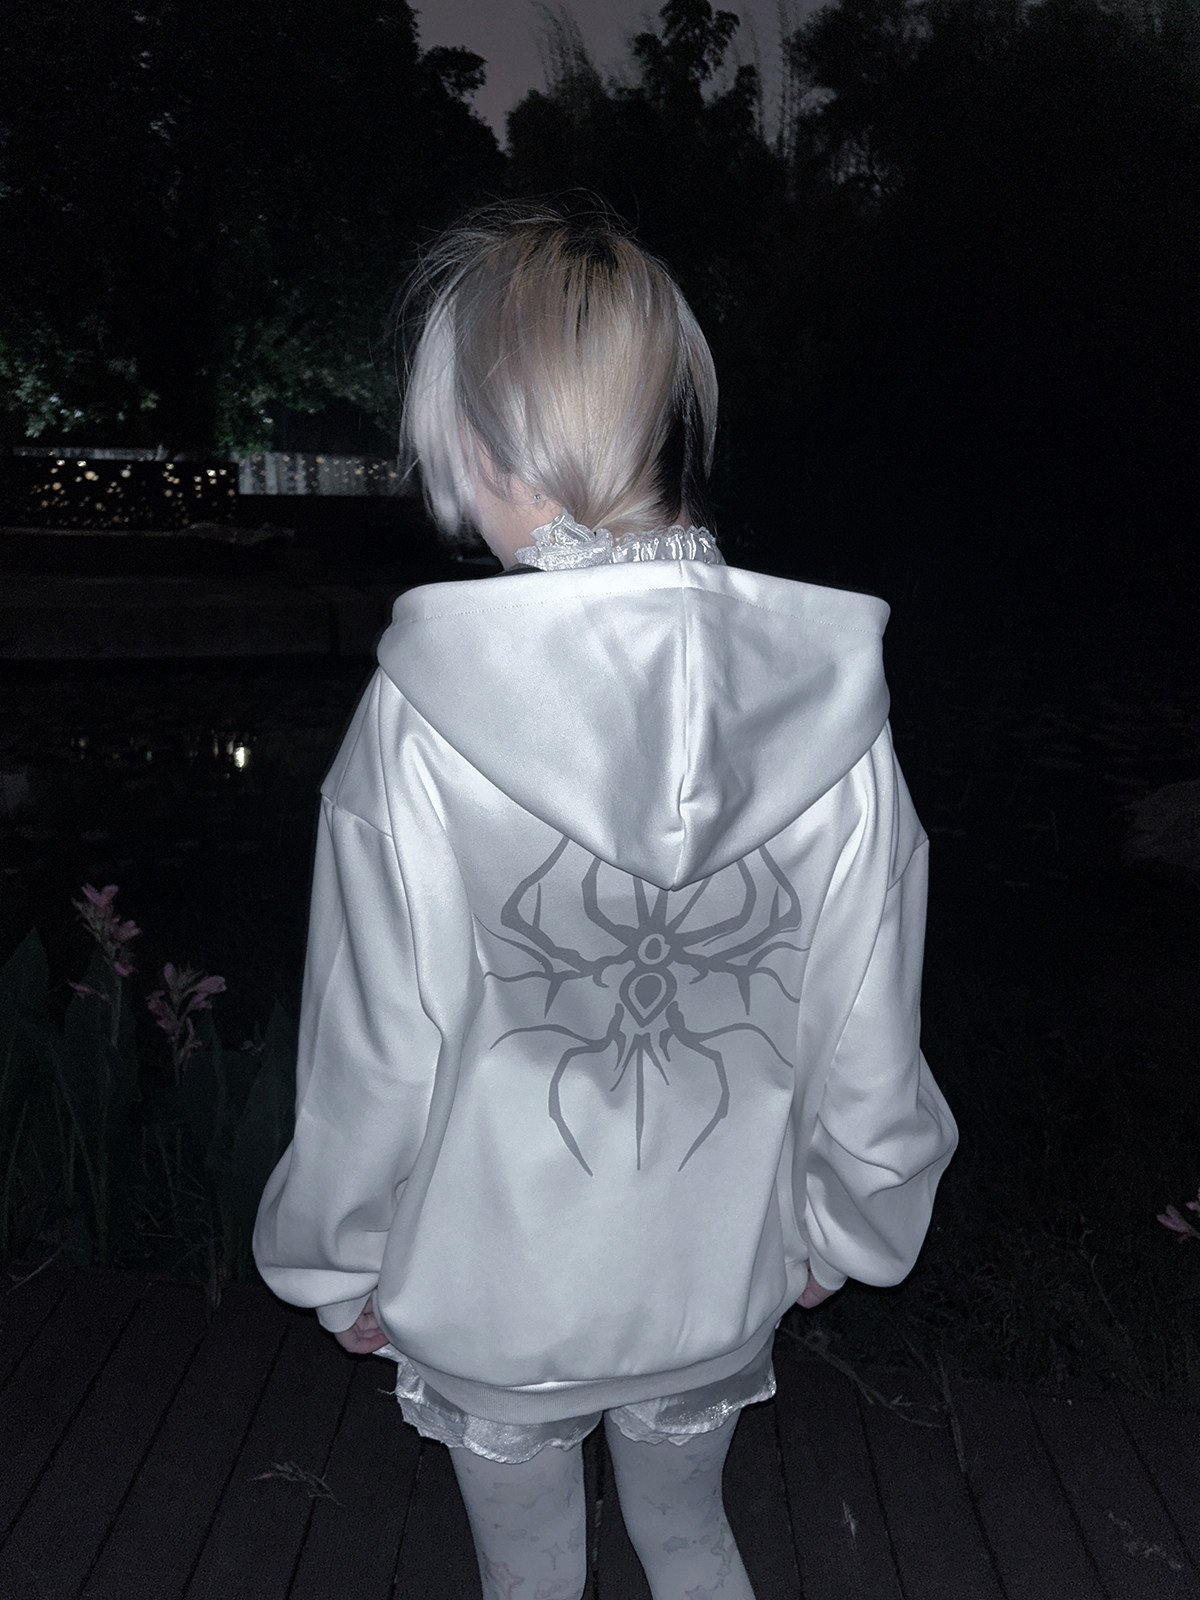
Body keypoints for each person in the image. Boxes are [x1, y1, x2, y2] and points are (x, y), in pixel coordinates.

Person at [253, 204, 958, 1600]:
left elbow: (373, 1048)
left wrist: (335, 1258)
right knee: (692, 1540)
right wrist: (851, 1218)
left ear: (489, 439)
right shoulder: (830, 702)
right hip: (719, 1267)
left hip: (492, 1285)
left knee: (531, 1577)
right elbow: (868, 1016)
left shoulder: (423, 711)